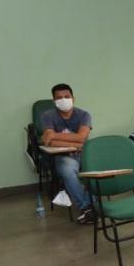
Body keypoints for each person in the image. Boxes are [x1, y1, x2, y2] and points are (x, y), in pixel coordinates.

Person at [40, 83, 94, 223]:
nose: (63, 100)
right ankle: (87, 208)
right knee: (67, 171)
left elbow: (82, 137)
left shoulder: (84, 115)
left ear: (73, 98)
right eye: (59, 97)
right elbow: (49, 142)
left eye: (67, 96)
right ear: (54, 101)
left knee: (97, 168)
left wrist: (54, 135)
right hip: (63, 156)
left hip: (85, 155)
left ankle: (91, 206)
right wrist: (77, 144)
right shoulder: (47, 115)